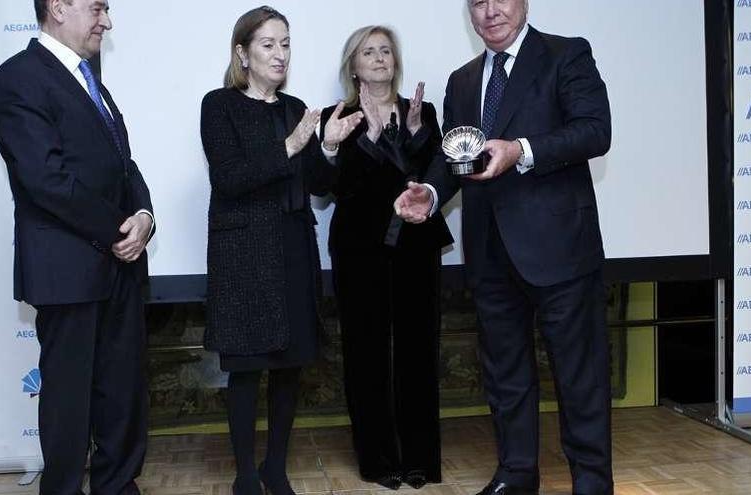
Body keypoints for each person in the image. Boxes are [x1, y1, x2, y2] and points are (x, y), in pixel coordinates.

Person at [394, 1, 613, 494]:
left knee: (581, 381)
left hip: (561, 253)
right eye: (477, 1)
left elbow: (596, 131)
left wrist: (522, 150)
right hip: (491, 254)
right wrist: (427, 193)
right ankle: (516, 476)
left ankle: (593, 484)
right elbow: (455, 157)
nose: (490, 11)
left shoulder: (566, 55)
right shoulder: (463, 80)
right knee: (505, 378)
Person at [0, 0, 154, 493]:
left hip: (120, 266)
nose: (107, 19)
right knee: (69, 404)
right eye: (98, 7)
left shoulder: (91, 80)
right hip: (68, 271)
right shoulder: (18, 77)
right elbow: (45, 179)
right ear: (58, 7)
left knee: (123, 395)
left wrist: (144, 216)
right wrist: (119, 228)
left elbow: (125, 165)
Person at [199, 6, 363, 495]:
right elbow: (229, 178)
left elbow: (318, 184)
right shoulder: (219, 105)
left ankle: (276, 467)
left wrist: (328, 147)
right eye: (268, 44)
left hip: (293, 250)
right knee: (247, 369)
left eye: (285, 43)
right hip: (243, 256)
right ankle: (246, 474)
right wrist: (290, 147)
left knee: (291, 365)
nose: (279, 53)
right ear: (242, 53)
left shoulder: (296, 109)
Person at [320, 25, 453, 491]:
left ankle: (420, 459)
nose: (378, 58)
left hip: (416, 248)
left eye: (385, 51)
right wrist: (370, 140)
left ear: (395, 62)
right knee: (366, 353)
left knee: (419, 351)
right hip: (360, 251)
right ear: (353, 66)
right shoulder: (339, 118)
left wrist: (415, 136)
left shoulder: (424, 113)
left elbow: (434, 180)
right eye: (368, 52)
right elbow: (335, 188)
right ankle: (378, 460)